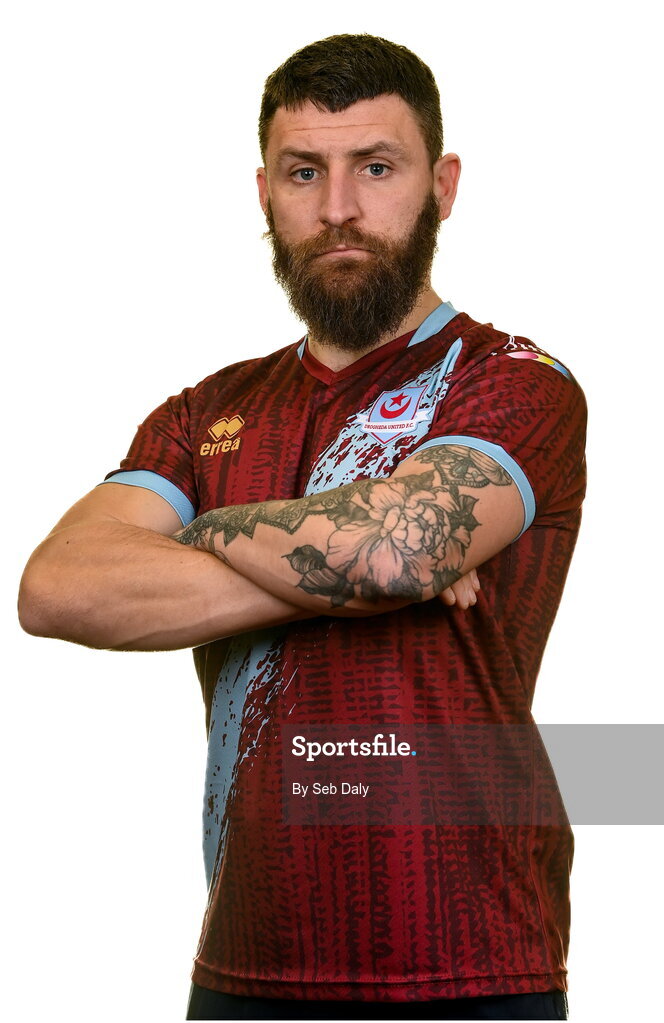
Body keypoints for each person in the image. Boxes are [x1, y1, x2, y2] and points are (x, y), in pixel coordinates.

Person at [18, 33, 584, 1022]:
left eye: (377, 167)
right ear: (265, 193)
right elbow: (56, 585)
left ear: (442, 184)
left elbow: (396, 548)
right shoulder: (205, 411)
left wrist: (219, 537)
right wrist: (360, 559)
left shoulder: (514, 382)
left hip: (471, 959)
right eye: (304, 172)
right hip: (247, 960)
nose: (338, 208)